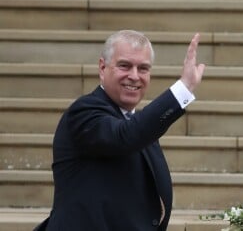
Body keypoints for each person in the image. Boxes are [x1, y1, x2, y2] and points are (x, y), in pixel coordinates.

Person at [33, 30, 205, 231]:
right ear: (102, 67)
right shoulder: (84, 112)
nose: (134, 76)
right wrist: (183, 89)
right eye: (125, 66)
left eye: (143, 68)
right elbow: (125, 136)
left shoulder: (138, 123)